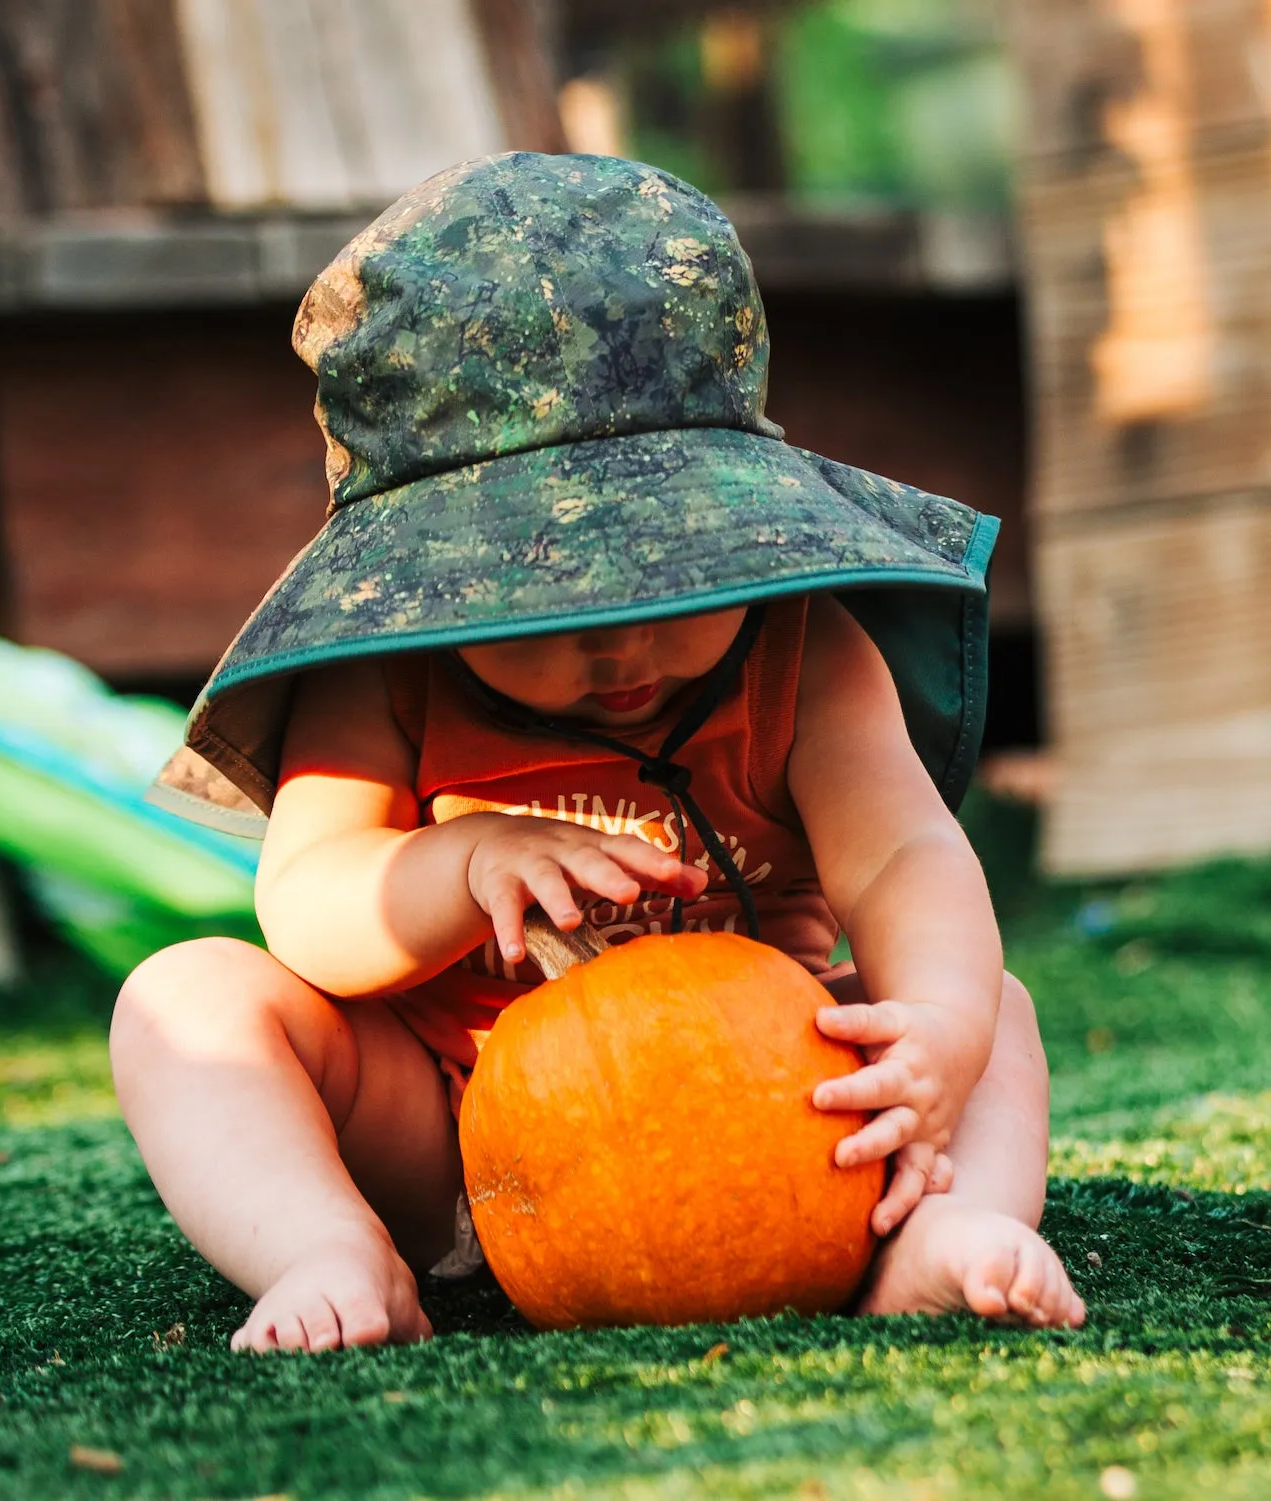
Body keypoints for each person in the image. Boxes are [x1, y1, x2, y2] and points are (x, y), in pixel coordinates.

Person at [112, 153, 1085, 1353]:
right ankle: (330, 1249)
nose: (620, 638)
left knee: (997, 1009)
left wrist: (937, 1025)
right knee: (185, 999)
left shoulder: (809, 656)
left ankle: (942, 1231)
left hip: (788, 1121)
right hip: (461, 1135)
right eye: (548, 591)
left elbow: (902, 858)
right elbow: (307, 906)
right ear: (426, 581)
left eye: (672, 567)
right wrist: (459, 857)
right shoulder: (385, 676)